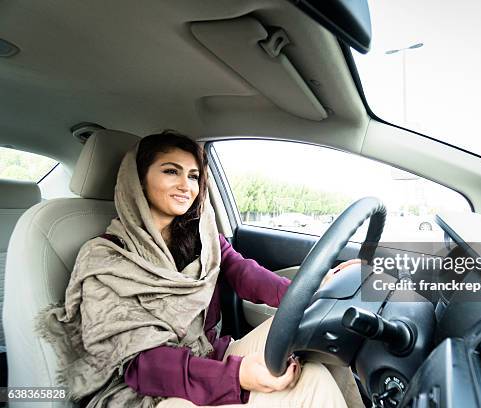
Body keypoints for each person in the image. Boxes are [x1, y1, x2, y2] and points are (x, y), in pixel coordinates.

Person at [37, 132, 363, 408]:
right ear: (138, 181)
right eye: (170, 171)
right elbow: (139, 365)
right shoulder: (105, 258)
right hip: (147, 389)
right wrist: (237, 376)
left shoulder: (202, 238)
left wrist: (315, 288)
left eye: (193, 176)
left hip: (206, 357)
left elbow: (246, 273)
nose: (186, 185)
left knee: (317, 340)